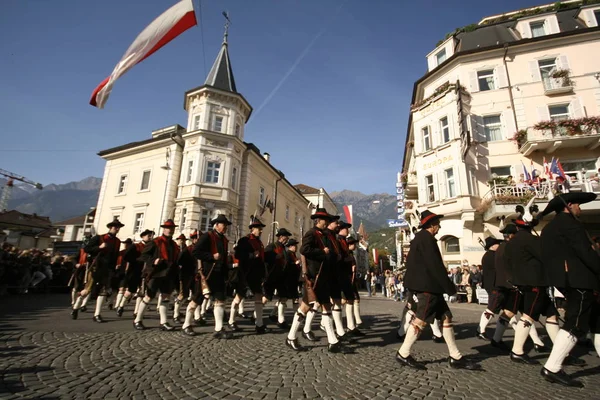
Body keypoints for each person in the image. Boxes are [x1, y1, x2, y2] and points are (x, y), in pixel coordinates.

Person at [396, 210, 480, 370]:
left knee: (446, 317)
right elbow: (435, 266)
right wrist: (450, 288)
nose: (439, 227)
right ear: (432, 225)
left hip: (428, 287)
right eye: (437, 224)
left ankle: (455, 356)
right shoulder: (426, 239)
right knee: (420, 320)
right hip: (427, 287)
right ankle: (403, 353)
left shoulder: (420, 239)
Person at [539, 192, 599, 387]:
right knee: (576, 323)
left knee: (596, 321)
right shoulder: (570, 224)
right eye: (578, 205)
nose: (580, 209)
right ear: (569, 205)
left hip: (566, 279)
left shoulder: (549, 228)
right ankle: (552, 367)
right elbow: (586, 253)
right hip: (579, 280)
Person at [285, 207, 344, 352]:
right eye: (327, 220)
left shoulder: (324, 235)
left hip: (324, 275)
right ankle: (293, 336)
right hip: (314, 276)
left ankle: (331, 341)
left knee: (318, 306)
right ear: (320, 220)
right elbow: (304, 250)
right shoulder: (311, 234)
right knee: (312, 306)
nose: (328, 222)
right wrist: (321, 252)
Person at [505, 217, 560, 364]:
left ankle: (560, 350)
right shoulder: (531, 240)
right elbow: (546, 257)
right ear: (530, 227)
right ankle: (517, 351)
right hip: (535, 282)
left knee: (551, 314)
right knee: (528, 316)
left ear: (517, 228)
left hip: (522, 282)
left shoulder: (510, 243)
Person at [183, 214, 232, 338]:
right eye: (223, 224)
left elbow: (224, 258)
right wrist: (211, 257)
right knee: (196, 300)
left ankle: (219, 329)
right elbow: (196, 252)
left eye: (226, 225)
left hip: (219, 274)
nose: (225, 227)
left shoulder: (224, 239)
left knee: (220, 300)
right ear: (216, 225)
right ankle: (186, 324)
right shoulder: (207, 236)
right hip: (206, 274)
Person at [134, 219, 180, 331]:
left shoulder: (174, 244)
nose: (170, 230)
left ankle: (163, 322)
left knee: (165, 297)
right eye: (168, 228)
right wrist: (153, 260)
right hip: (156, 273)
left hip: (168, 274)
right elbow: (142, 256)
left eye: (172, 228)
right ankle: (138, 320)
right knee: (149, 297)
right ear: (164, 229)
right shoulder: (155, 242)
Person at [79, 218, 124, 323]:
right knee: (88, 289)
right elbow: (87, 249)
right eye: (115, 227)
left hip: (108, 269)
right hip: (96, 267)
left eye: (118, 228)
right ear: (110, 228)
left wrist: (114, 268)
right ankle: (77, 305)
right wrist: (99, 247)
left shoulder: (117, 241)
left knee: (103, 291)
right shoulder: (99, 238)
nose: (117, 229)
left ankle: (97, 314)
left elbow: (115, 255)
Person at [235, 217, 269, 333]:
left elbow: (262, 259)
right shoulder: (244, 240)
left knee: (258, 297)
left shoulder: (260, 242)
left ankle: (259, 324)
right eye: (259, 228)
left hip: (256, 274)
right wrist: (251, 255)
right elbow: (238, 255)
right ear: (253, 229)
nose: (261, 231)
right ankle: (231, 321)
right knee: (238, 298)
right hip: (245, 273)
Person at [265, 227, 294, 330]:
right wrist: (276, 257)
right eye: (286, 236)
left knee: (283, 297)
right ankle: (256, 315)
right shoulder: (272, 246)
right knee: (266, 297)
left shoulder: (284, 248)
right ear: (281, 237)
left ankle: (281, 320)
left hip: (282, 276)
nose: (287, 239)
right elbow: (266, 258)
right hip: (272, 275)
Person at [476, 236, 503, 339]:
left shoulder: (490, 255)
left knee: (508, 311)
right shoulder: (491, 256)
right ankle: (481, 330)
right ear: (492, 246)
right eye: (497, 244)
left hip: (495, 285)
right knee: (491, 308)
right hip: (494, 286)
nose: (499, 245)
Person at [173, 233, 196, 324]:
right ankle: (175, 314)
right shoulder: (188, 250)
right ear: (193, 240)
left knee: (195, 295)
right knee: (182, 295)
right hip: (185, 275)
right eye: (195, 238)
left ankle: (197, 316)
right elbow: (179, 261)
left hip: (194, 275)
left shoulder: (199, 249)